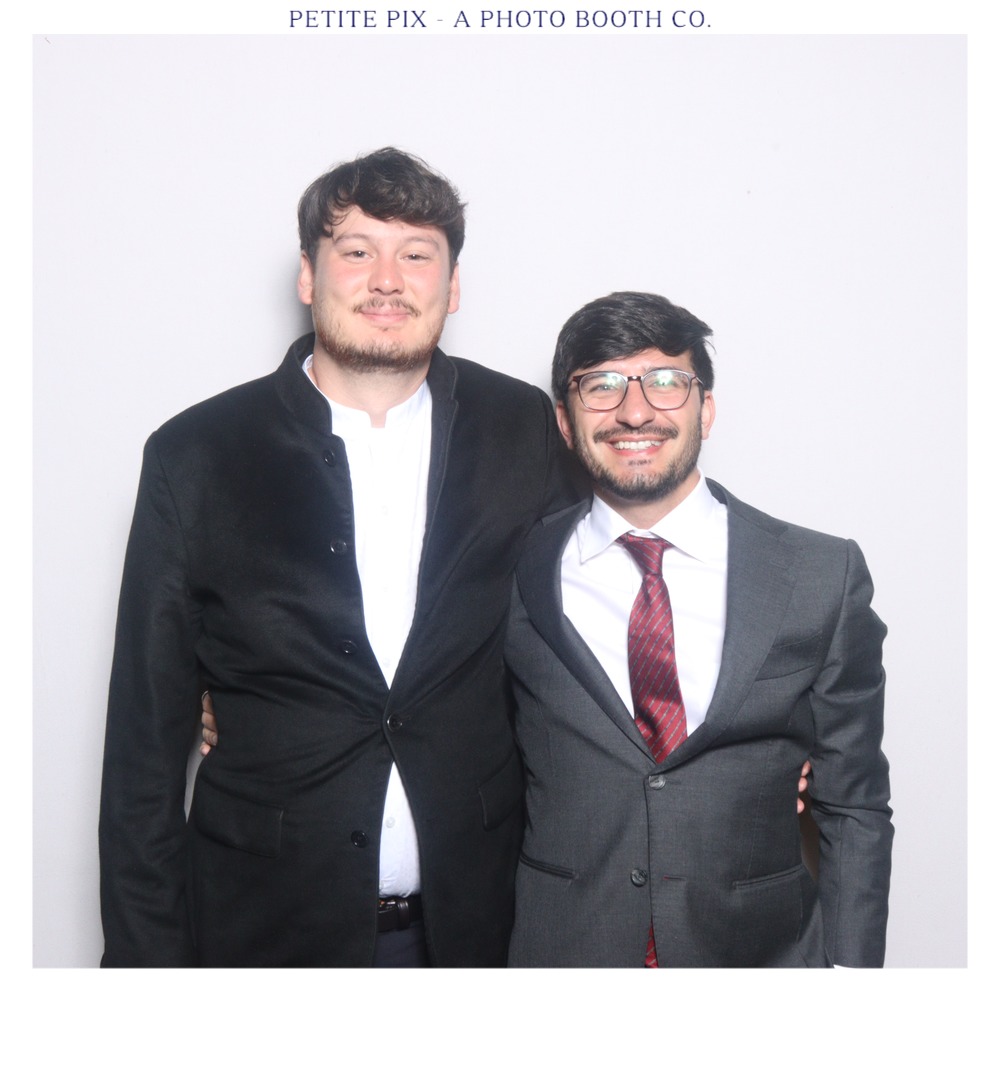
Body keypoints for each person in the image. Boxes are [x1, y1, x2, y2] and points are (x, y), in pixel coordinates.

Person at [99, 147, 574, 968]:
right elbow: (144, 741)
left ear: (453, 286)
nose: (387, 280)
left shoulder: (525, 428)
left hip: (482, 932)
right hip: (263, 933)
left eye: (416, 255)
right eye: (356, 251)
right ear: (308, 277)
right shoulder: (196, 454)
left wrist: (758, 748)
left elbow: (598, 622)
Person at [504, 291, 892, 967]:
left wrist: (853, 982)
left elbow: (855, 806)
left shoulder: (819, 574)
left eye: (665, 381)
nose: (634, 411)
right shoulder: (509, 569)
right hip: (565, 953)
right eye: (601, 386)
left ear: (705, 409)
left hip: (761, 956)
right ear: (565, 421)